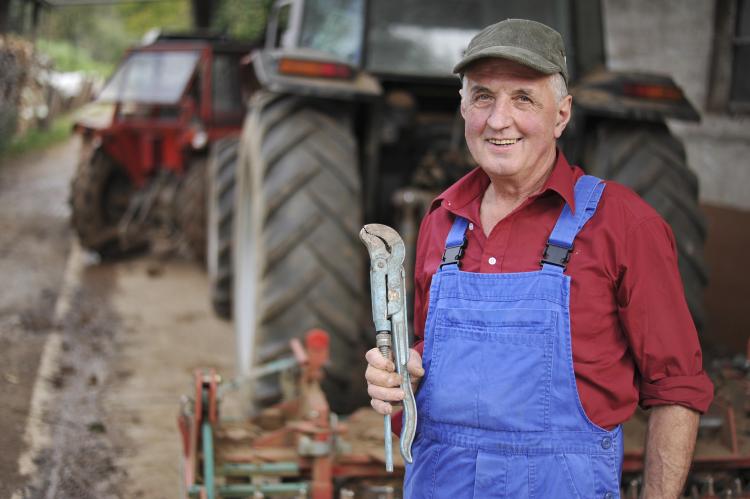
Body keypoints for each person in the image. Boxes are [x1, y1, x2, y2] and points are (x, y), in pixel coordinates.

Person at [364, 18, 713, 499]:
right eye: (483, 96)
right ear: (463, 108)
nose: (498, 119)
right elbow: (428, 358)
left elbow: (676, 388)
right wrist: (401, 377)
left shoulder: (624, 225)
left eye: (523, 98)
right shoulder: (441, 222)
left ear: (562, 115)